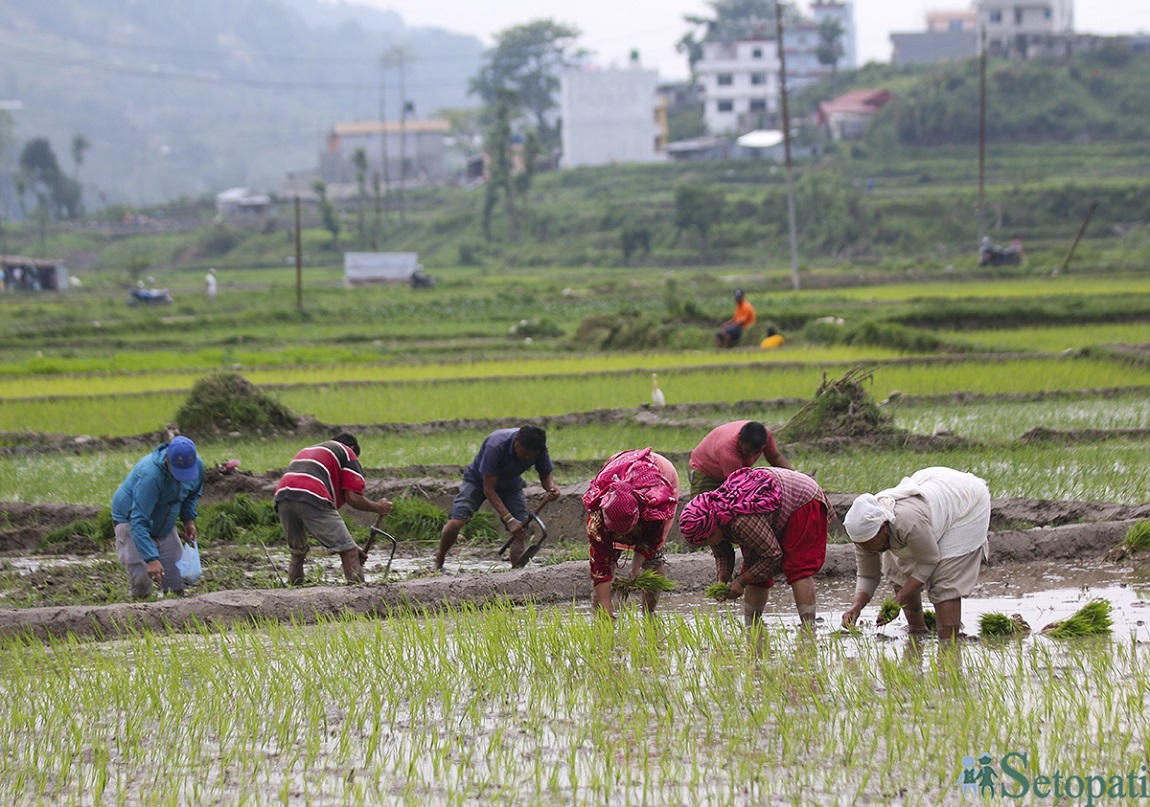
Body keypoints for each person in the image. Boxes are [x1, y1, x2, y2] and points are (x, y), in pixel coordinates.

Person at [840, 466, 992, 644]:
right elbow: (868, 574)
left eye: (867, 543)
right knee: (897, 570)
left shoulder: (906, 521)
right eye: (860, 545)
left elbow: (930, 560)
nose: (865, 549)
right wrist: (857, 606)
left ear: (882, 528)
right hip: (934, 497)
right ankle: (918, 632)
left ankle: (948, 646)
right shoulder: (863, 532)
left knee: (945, 581)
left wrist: (899, 599)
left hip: (966, 501)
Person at [680, 466, 832, 628]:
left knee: (798, 567)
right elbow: (723, 554)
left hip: (802, 499)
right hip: (769, 508)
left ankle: (809, 626)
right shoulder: (715, 519)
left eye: (706, 540)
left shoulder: (741, 521)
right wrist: (722, 581)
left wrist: (741, 581)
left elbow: (772, 555)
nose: (708, 544)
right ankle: (752, 626)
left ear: (713, 527)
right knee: (754, 568)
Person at [435, 425, 560, 570]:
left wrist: (551, 488)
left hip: (510, 484)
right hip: (477, 481)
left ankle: (517, 574)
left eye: (531, 455)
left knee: (520, 532)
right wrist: (509, 519)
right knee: (456, 522)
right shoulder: (496, 445)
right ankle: (440, 557)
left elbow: (545, 475)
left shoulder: (538, 450)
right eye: (525, 452)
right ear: (516, 442)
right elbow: (488, 489)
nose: (527, 457)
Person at [274, 433, 392, 584]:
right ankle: (361, 598)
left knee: (297, 553)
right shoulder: (347, 452)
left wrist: (350, 544)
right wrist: (378, 507)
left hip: (283, 496)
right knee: (348, 552)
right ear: (353, 448)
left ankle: (293, 595)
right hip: (312, 494)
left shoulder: (311, 450)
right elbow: (353, 497)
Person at [583, 448, 679, 619]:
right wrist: (608, 616)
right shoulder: (597, 519)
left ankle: (649, 614)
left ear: (638, 519)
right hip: (616, 468)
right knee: (607, 557)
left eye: (626, 533)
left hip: (659, 471)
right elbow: (600, 569)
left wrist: (636, 567)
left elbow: (651, 540)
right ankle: (599, 614)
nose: (623, 538)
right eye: (615, 533)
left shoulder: (655, 505)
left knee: (653, 559)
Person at [111, 436, 205, 599]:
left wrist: (189, 520)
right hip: (131, 519)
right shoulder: (151, 475)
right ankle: (139, 608)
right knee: (142, 579)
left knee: (178, 580)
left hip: (164, 517)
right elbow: (139, 520)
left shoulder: (197, 466)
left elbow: (191, 495)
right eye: (177, 471)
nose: (181, 477)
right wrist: (151, 558)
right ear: (167, 459)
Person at [688, 419, 794, 497]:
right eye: (747, 451)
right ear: (739, 440)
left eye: (756, 452)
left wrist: (794, 476)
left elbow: (774, 457)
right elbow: (739, 486)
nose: (751, 455)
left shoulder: (765, 434)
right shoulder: (727, 451)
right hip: (706, 471)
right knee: (700, 512)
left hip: (733, 474)